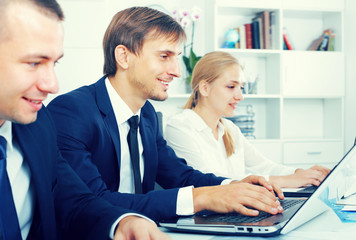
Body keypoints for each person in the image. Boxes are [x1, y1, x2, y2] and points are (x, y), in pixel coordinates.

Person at [47, 6, 285, 223]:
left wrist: (232, 186)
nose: (177, 71)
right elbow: (93, 202)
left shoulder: (147, 114)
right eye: (164, 56)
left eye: (177, 58)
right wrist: (201, 198)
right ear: (124, 57)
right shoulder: (72, 112)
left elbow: (179, 176)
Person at [0, 0, 170, 239]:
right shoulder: (70, 111)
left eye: (54, 62)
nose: (52, 85)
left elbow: (74, 200)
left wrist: (121, 222)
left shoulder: (38, 126)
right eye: (34, 63)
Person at [165, 51, 330, 189]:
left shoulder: (230, 129)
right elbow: (208, 181)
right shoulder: (180, 127)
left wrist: (302, 174)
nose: (240, 96)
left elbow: (264, 166)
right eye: (231, 87)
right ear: (204, 88)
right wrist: (286, 181)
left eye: (241, 87)